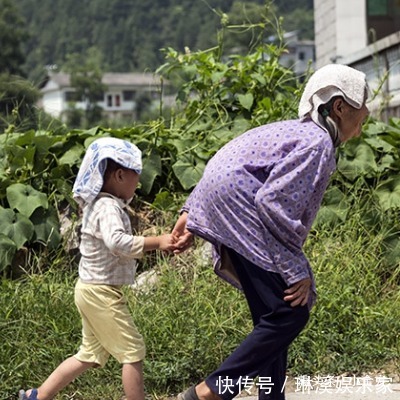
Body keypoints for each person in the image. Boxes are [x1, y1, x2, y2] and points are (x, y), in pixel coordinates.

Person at [172, 64, 370, 400]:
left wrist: (192, 209)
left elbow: (230, 158)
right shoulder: (317, 143)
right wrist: (297, 271)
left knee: (273, 316)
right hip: (241, 209)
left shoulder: (295, 132)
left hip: (223, 202)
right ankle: (208, 392)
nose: (362, 128)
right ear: (340, 107)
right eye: (362, 116)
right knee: (289, 313)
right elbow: (274, 207)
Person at [19, 137, 176, 400]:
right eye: (137, 174)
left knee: (89, 354)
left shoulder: (99, 205)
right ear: (119, 175)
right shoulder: (107, 206)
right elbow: (117, 242)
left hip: (90, 289)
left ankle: (37, 396)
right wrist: (157, 242)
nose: (139, 181)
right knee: (133, 351)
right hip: (100, 292)